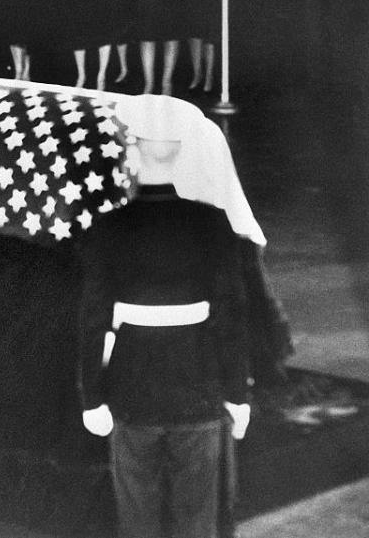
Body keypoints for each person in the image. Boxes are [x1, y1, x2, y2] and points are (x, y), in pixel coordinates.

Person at [78, 94, 260, 538]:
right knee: (198, 520)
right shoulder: (213, 222)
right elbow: (232, 315)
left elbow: (93, 318)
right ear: (179, 152)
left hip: (130, 387)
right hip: (199, 384)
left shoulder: (107, 225)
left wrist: (91, 396)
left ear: (133, 152)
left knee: (136, 516)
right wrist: (238, 393)